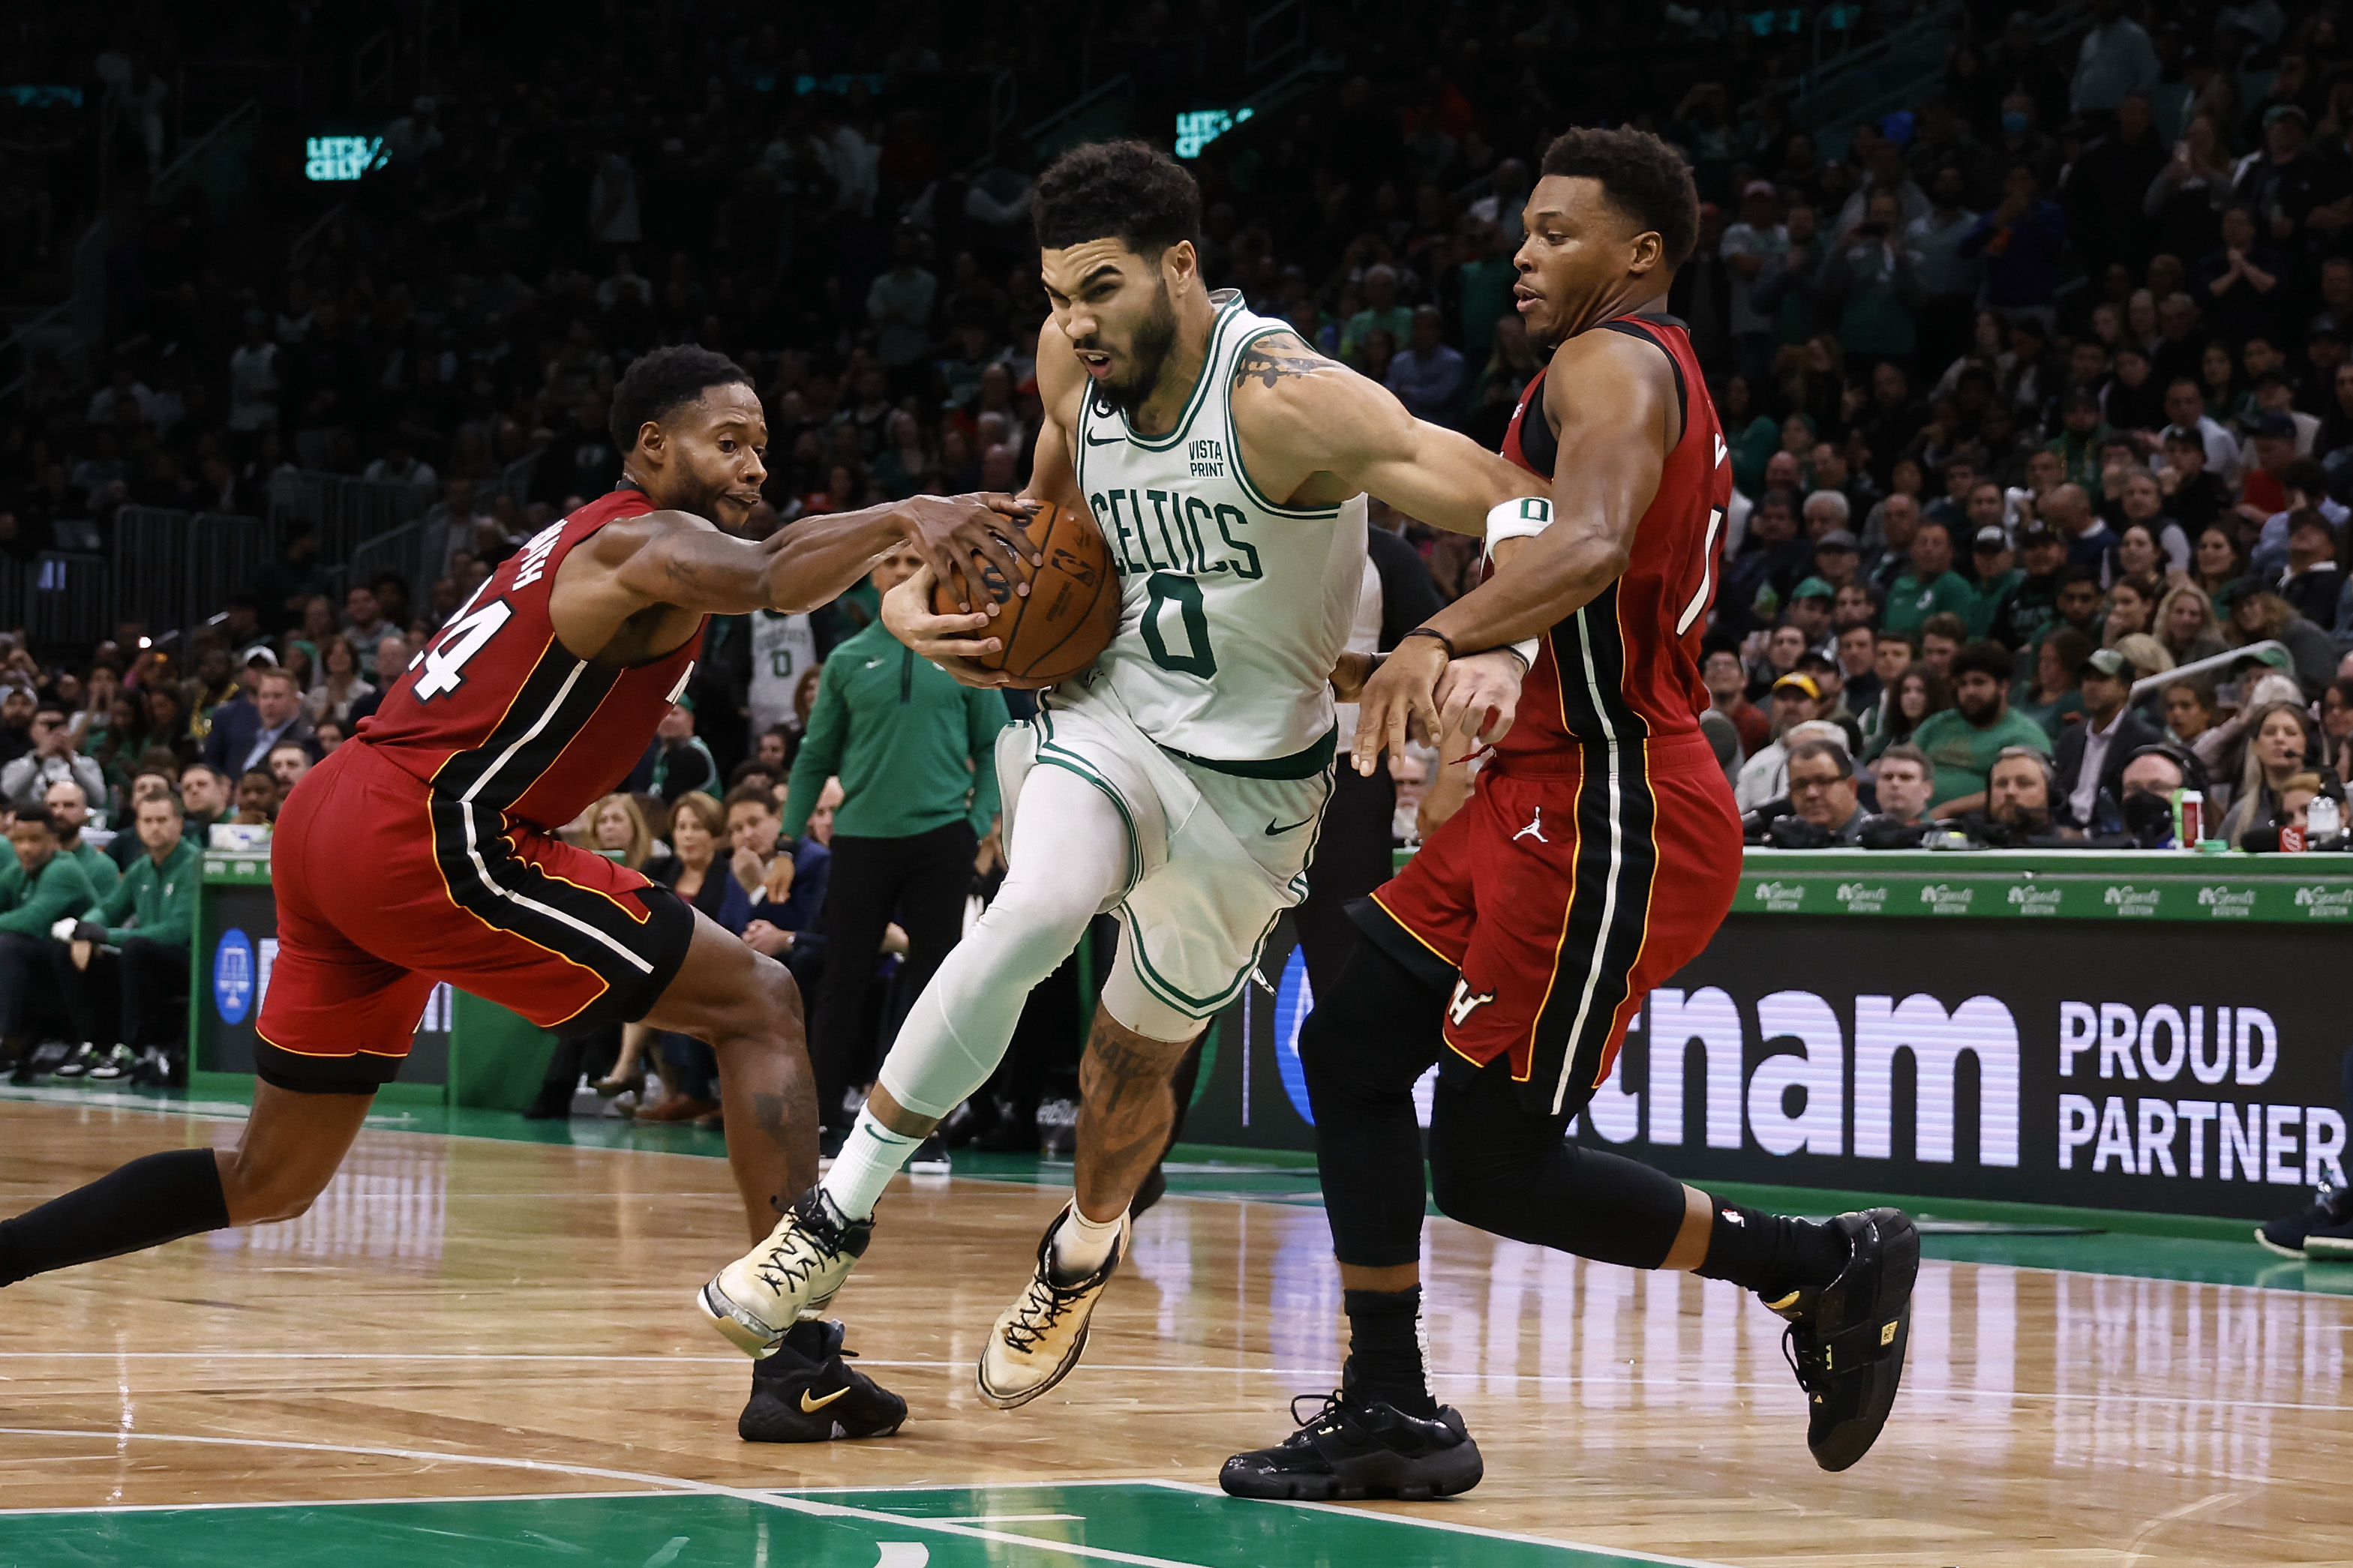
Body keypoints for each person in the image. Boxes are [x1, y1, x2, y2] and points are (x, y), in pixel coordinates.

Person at [0, 344, 1037, 1446]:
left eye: (761, 448)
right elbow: (775, 572)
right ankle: (792, 1356)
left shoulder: (596, 538)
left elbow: (766, 564)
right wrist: (910, 512)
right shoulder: (643, 536)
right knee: (760, 998)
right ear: (652, 446)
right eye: (726, 442)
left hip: (339, 816)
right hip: (430, 829)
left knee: (271, 1176)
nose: (751, 466)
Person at [698, 139, 1554, 1426]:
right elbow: (1039, 541)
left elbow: (1518, 503)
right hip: (1099, 723)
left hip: (1255, 789)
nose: (1074, 323)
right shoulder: (1067, 370)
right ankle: (830, 1218)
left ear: (1182, 267)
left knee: (1125, 1075)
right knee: (1035, 907)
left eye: (1100, 290)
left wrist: (1496, 642)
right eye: (1055, 295)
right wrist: (947, 605)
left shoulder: (1287, 398)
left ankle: (1082, 1251)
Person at [1210, 126, 1905, 1495]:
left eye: (1553, 232)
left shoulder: (1615, 360)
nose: (1519, 256)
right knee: (1350, 1049)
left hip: (1612, 805)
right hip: (1535, 792)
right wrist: (1415, 659)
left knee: (1492, 1163)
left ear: (1637, 255)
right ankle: (1389, 1403)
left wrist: (1433, 639)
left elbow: (1586, 548)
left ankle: (1818, 1264)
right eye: (1519, 231)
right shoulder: (1587, 378)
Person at [779, 539, 1007, 1155]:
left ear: (933, 572)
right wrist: (785, 839)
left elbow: (995, 746)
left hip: (942, 839)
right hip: (860, 838)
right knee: (841, 981)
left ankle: (919, 1130)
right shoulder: (849, 660)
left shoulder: (962, 650)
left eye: (915, 563)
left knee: (935, 989)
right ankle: (823, 1122)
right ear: (873, 570)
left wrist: (977, 818)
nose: (904, 572)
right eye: (893, 562)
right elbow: (814, 756)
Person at [59, 790, 197, 1084]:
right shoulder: (141, 868)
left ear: (179, 823)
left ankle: (134, 1047)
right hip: (143, 957)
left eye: (162, 820)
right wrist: (86, 930)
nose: (154, 827)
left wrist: (104, 934)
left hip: (188, 962)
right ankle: (94, 1043)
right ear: (137, 826)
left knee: (136, 948)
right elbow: (107, 909)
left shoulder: (194, 865)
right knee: (69, 949)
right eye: (147, 820)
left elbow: (177, 931)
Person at [0, 808, 101, 1083]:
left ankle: (8, 1041)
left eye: (35, 840)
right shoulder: (18, 872)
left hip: (85, 978)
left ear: (54, 840)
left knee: (9, 945)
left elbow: (31, 921)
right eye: (19, 840)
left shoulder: (63, 869)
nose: (26, 848)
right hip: (42, 975)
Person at [1910, 640, 2053, 810]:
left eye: (1979, 682)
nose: (1969, 691)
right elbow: (1904, 760)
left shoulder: (2023, 734)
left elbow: (2026, 791)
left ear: (2003, 687)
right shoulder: (1939, 723)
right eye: (1963, 684)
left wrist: (1948, 809)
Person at [2052, 647, 2164, 832]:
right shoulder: (2071, 737)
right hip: (2063, 831)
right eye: (2088, 679)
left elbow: (2135, 808)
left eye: (2102, 679)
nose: (2091, 686)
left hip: (2111, 835)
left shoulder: (2144, 740)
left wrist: (2087, 835)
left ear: (2125, 688)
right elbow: (2058, 795)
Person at [1870, 742, 1935, 825]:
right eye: (1887, 777)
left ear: (1927, 789)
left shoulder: (1939, 836)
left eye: (1906, 777)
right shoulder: (1861, 833)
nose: (1895, 784)